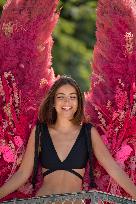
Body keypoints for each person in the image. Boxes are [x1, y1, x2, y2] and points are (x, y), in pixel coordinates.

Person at [0, 75, 136, 201]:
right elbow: (23, 173)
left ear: (78, 102)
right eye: (61, 97)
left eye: (72, 97)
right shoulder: (40, 131)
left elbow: (113, 168)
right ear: (53, 101)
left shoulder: (88, 132)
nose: (67, 102)